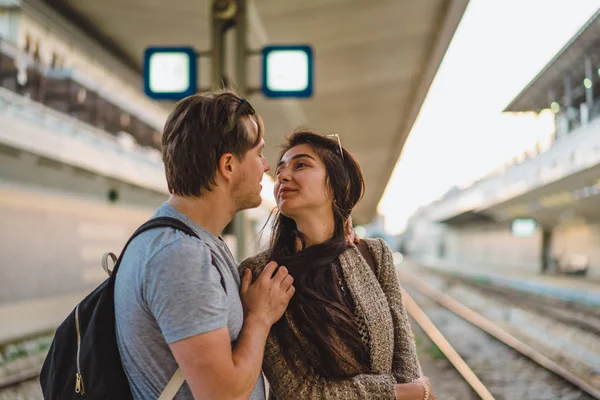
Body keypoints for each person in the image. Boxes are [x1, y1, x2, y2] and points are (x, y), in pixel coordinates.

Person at [114, 91, 295, 400]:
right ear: (228, 165)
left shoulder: (192, 241)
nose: (265, 166)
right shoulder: (179, 255)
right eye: (258, 153)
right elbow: (222, 395)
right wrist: (260, 318)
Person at [239, 130, 436, 400]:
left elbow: (403, 354)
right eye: (282, 169)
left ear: (336, 181)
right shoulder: (262, 274)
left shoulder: (374, 254)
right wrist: (405, 393)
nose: (282, 176)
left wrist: (411, 389)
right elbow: (298, 393)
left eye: (301, 165)